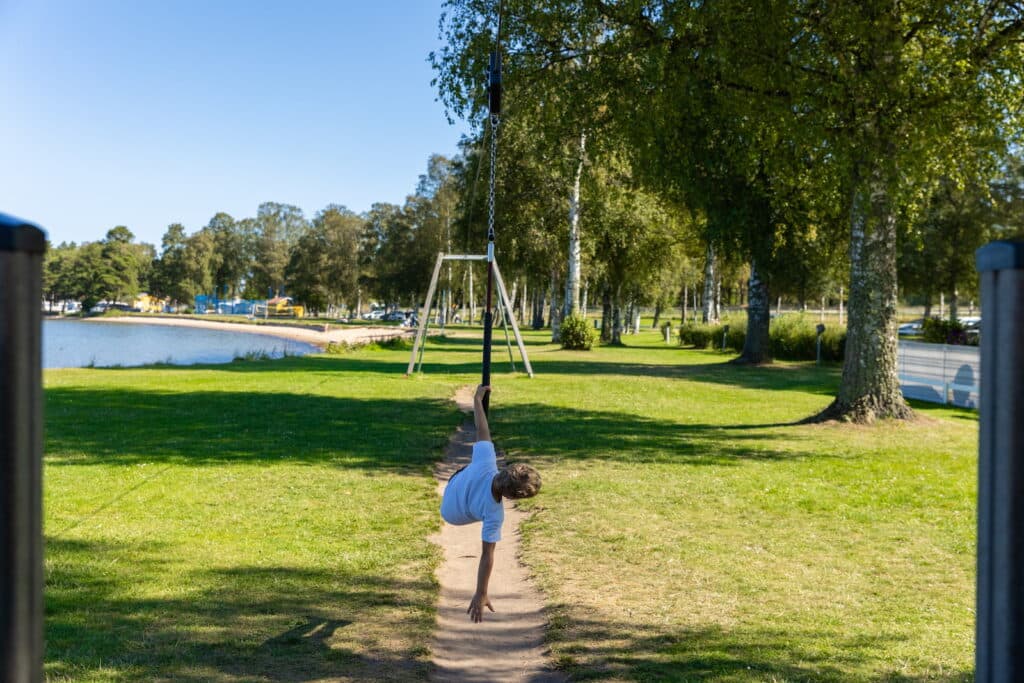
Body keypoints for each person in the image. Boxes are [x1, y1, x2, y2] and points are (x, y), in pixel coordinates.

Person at [440, 385, 542, 622]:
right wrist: (481, 592)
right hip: (453, 514)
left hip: (453, 488)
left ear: (506, 468)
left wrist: (477, 399)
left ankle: (469, 480)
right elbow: (487, 555)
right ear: (512, 497)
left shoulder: (488, 460)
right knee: (479, 494)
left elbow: (481, 427)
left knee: (477, 458)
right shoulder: (495, 514)